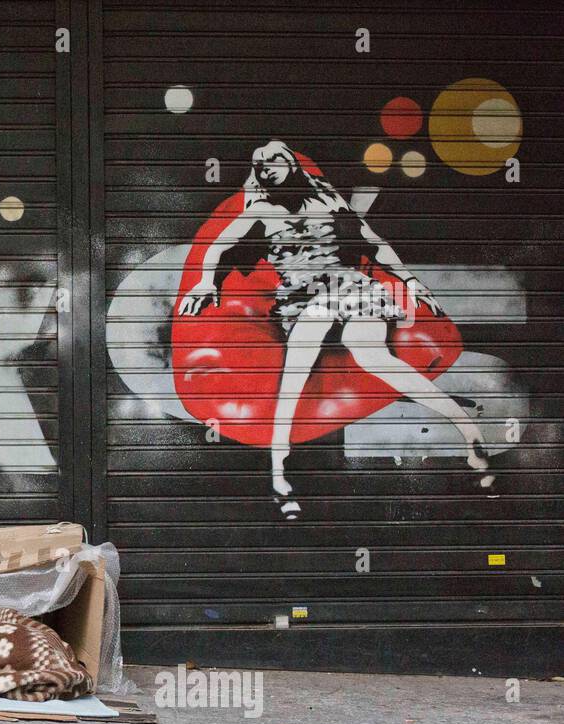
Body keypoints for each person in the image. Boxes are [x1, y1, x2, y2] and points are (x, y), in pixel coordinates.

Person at [179, 141, 489, 519]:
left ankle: (464, 426)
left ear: (292, 164)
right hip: (305, 295)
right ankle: (279, 470)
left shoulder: (327, 203)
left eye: (274, 161)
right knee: (297, 367)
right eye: (260, 165)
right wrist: (205, 283)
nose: (267, 168)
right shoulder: (260, 210)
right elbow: (218, 246)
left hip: (348, 287)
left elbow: (372, 242)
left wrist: (408, 280)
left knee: (374, 358)